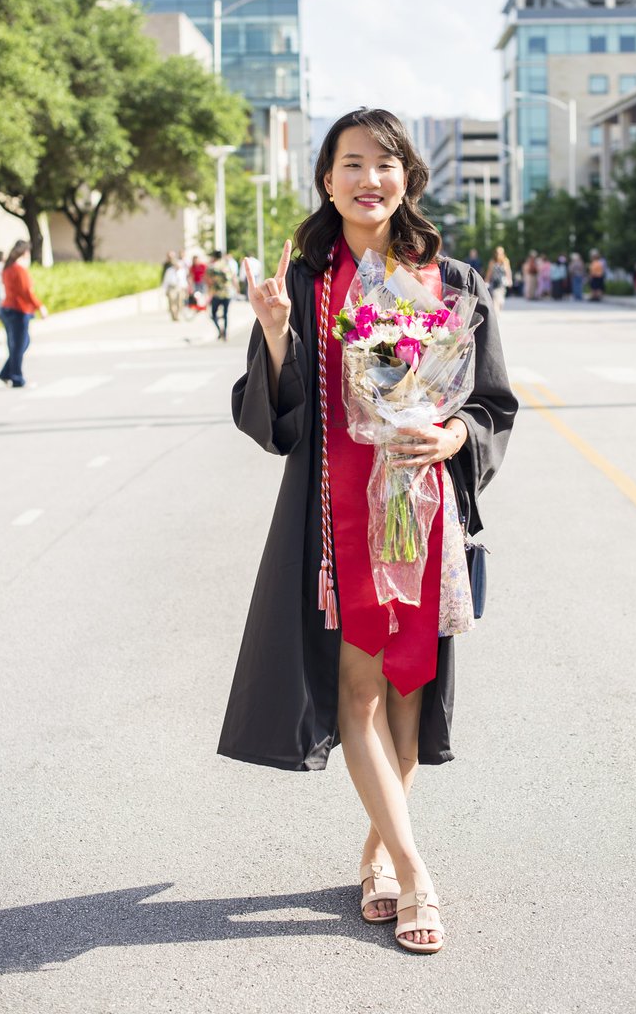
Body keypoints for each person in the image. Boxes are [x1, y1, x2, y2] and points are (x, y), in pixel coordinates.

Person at [218, 108, 517, 956]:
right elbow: (274, 420)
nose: (368, 179)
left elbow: (491, 404)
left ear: (407, 179)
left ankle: (378, 854)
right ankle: (416, 872)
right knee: (362, 690)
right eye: (350, 164)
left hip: (418, 510)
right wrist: (274, 332)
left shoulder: (451, 283)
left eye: (384, 164)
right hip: (336, 517)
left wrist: (453, 436)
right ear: (326, 180)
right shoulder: (306, 284)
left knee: (408, 689)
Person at [0, 240, 47, 388]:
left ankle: (6, 373)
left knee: (17, 345)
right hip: (18, 310)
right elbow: (26, 292)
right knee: (20, 345)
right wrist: (40, 306)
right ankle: (16, 378)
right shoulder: (19, 270)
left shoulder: (7, 268)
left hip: (6, 309)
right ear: (25, 253)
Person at [205, 250, 237, 340]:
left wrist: (209, 292)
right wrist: (236, 288)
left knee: (213, 313)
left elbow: (208, 280)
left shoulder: (212, 267)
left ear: (214, 257)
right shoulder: (227, 265)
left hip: (217, 294)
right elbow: (233, 277)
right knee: (225, 314)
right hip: (227, 293)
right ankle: (225, 334)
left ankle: (220, 331)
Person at [484, 245, 513, 314]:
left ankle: (499, 308)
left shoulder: (506, 260)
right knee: (495, 297)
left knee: (501, 299)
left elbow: (508, 271)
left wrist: (510, 280)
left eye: (500, 253)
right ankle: (496, 313)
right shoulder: (492, 261)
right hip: (494, 282)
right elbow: (489, 272)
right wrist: (486, 281)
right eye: (497, 253)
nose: (498, 254)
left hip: (502, 282)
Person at [161, 252, 188, 321]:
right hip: (171, 288)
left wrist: (186, 289)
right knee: (172, 302)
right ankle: (174, 316)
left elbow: (184, 280)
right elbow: (166, 281)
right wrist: (164, 289)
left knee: (180, 302)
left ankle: (178, 314)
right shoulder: (169, 271)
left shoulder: (182, 271)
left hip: (180, 288)